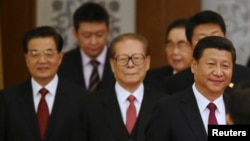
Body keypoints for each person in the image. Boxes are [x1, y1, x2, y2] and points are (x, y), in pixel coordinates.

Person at [73, 33, 166, 141]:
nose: (130, 64)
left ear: (147, 63)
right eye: (123, 59)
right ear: (112, 64)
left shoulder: (165, 104)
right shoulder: (90, 105)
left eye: (137, 58)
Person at [0, 26, 86, 141]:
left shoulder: (82, 98)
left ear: (60, 58)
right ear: (26, 59)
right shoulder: (6, 99)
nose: (42, 61)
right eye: (35, 54)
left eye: (48, 53)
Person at [145, 36, 236, 141]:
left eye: (225, 66)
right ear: (194, 66)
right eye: (211, 64)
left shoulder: (239, 109)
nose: (218, 72)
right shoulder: (167, 109)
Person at [164, 10, 250, 95]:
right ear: (190, 45)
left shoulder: (246, 77)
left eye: (215, 36)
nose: (211, 44)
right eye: (202, 39)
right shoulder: (174, 84)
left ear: (226, 38)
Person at [58, 2, 115, 93]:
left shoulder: (119, 61)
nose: (93, 42)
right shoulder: (61, 64)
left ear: (108, 31)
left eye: (99, 35)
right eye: (87, 35)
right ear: (75, 34)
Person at [144, 19, 192, 92]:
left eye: (181, 45)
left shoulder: (202, 81)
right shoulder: (150, 78)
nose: (175, 52)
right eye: (170, 45)